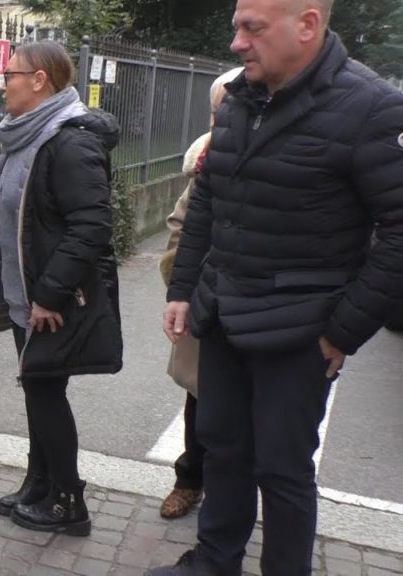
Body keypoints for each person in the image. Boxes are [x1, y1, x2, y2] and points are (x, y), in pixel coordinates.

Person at [150, 0, 403, 573]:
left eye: (252, 28)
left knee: (283, 472)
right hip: (223, 315)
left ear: (307, 25)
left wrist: (345, 329)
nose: (237, 42)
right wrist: (183, 288)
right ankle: (214, 563)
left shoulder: (370, 108)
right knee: (224, 452)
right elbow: (209, 198)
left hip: (300, 333)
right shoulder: (242, 94)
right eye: (238, 26)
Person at [0, 40, 123, 535]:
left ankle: (68, 503)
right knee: (37, 391)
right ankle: (39, 483)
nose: (3, 85)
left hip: (50, 302)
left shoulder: (68, 141)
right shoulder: (25, 135)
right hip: (26, 299)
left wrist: (50, 294)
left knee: (46, 393)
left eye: (10, 75)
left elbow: (91, 225)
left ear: (39, 80)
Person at [156, 67, 242, 520]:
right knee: (199, 400)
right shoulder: (205, 164)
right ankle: (189, 480)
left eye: (223, 112)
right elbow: (180, 226)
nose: (217, 123)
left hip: (256, 312)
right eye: (213, 113)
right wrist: (183, 285)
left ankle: (234, 498)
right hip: (205, 303)